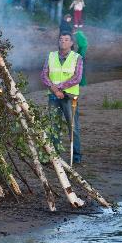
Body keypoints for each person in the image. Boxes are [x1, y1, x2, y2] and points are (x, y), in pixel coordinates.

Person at [41, 33, 83, 164]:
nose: (63, 42)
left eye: (66, 40)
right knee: (54, 126)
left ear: (71, 43)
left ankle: (76, 157)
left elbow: (77, 77)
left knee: (73, 127)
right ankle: (55, 155)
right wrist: (54, 89)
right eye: (61, 39)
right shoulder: (51, 56)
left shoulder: (77, 57)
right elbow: (44, 74)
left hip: (69, 96)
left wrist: (59, 88)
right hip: (54, 95)